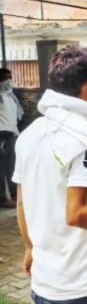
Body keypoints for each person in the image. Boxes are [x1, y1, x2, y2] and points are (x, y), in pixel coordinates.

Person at [13, 47, 87, 304]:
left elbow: (22, 201)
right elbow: (79, 212)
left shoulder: (31, 133)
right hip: (84, 287)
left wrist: (30, 248)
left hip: (44, 282)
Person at [0, 68, 23, 208]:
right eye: (5, 78)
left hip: (13, 135)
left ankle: (15, 195)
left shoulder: (11, 97)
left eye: (10, 78)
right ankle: (4, 198)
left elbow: (17, 116)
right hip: (1, 136)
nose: (9, 81)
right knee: (1, 169)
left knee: (13, 167)